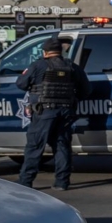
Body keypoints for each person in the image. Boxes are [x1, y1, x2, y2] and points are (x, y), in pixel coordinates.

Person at [16, 37, 91, 191]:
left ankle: (25, 182)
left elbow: (21, 83)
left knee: (35, 146)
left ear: (45, 52)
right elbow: (86, 90)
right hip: (66, 111)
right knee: (62, 145)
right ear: (60, 51)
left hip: (44, 111)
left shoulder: (38, 65)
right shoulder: (72, 67)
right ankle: (62, 182)